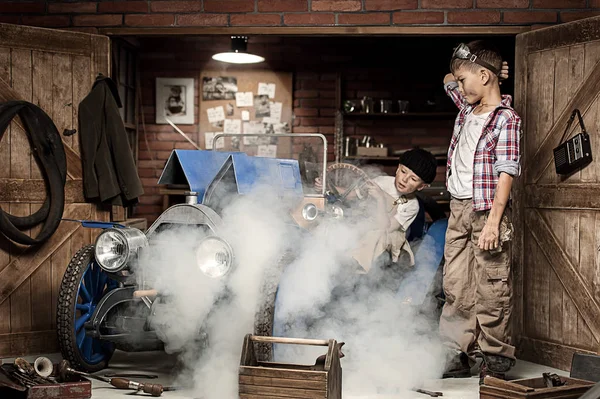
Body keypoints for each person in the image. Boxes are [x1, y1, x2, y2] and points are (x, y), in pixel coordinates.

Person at [439, 40, 521, 383]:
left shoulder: (506, 119)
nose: (458, 87)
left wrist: (493, 222)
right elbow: (447, 77)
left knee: (492, 283)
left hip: (486, 210)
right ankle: (457, 352)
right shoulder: (465, 107)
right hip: (458, 209)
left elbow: (507, 171)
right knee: (456, 283)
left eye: (464, 81)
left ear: (484, 77)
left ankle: (495, 355)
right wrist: (465, 68)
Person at [316, 148, 438, 272]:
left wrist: (380, 199)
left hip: (388, 239)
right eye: (403, 171)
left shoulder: (411, 206)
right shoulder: (381, 181)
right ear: (398, 168)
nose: (404, 179)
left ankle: (353, 267)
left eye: (413, 179)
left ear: (422, 186)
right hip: (368, 225)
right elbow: (352, 194)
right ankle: (327, 261)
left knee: (374, 235)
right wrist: (329, 187)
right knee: (338, 226)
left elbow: (385, 227)